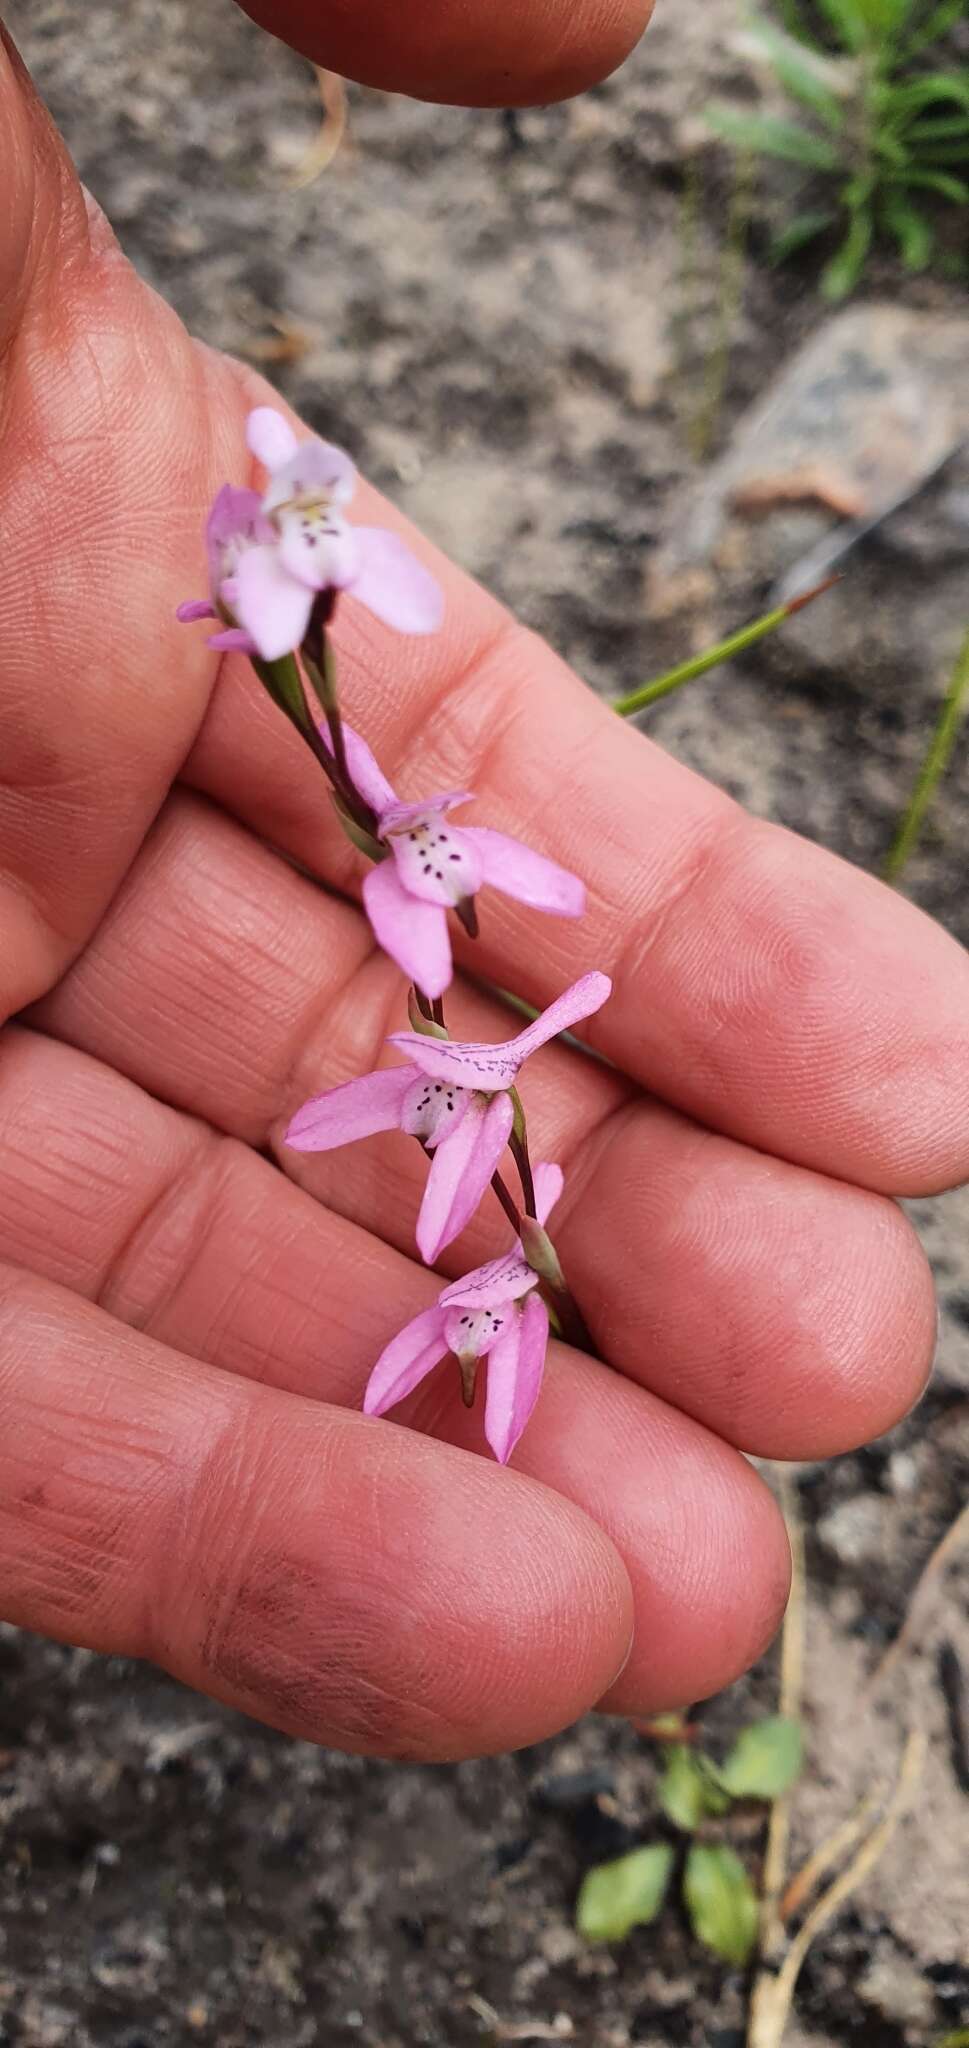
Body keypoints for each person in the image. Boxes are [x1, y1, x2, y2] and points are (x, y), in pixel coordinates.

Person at [0, 1, 965, 1765]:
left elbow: (438, 900)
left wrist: (468, 1003)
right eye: (290, 526)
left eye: (314, 514)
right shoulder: (284, 635)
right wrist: (454, 1058)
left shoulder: (340, 617)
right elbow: (390, 973)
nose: (304, 525)